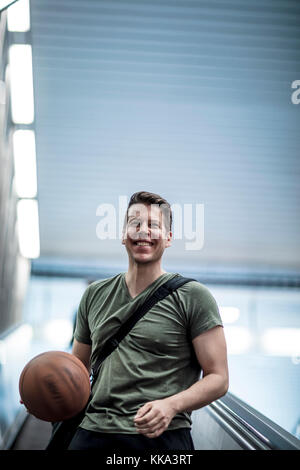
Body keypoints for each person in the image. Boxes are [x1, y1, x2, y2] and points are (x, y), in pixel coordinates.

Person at [68, 191, 229, 450]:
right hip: (93, 433)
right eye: (135, 223)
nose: (144, 231)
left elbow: (219, 378)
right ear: (123, 235)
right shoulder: (94, 295)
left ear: (168, 238)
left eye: (154, 225)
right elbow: (76, 370)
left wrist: (171, 405)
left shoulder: (193, 297)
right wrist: (43, 388)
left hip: (161, 438)